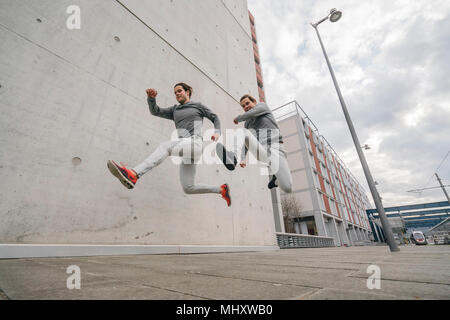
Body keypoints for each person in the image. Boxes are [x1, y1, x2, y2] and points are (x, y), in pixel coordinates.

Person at [107, 82, 231, 206]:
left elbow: (215, 117)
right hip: (187, 150)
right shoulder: (175, 110)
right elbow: (155, 111)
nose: (177, 94)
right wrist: (151, 99)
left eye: (179, 91)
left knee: (165, 146)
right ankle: (221, 189)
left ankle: (134, 174)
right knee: (188, 187)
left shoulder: (198, 106)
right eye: (175, 92)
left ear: (187, 92)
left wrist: (217, 132)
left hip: (195, 144)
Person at [229, 94, 293, 193]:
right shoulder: (247, 123)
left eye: (247, 103)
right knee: (242, 131)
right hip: (262, 150)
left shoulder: (262, 107)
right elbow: (246, 141)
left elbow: (252, 113)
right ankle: (233, 157)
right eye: (243, 106)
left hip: (275, 147)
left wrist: (238, 118)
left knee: (287, 188)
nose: (246, 107)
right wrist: (242, 158)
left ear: (254, 102)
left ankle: (275, 180)